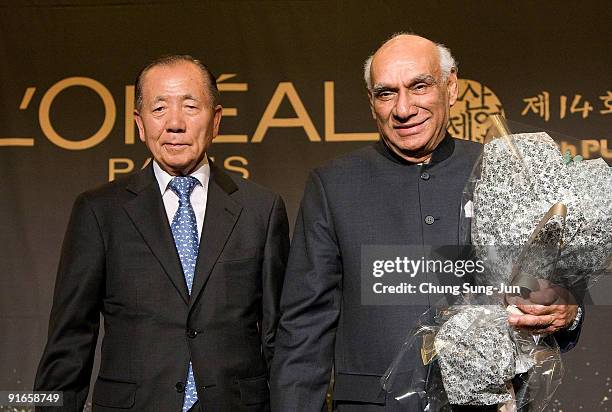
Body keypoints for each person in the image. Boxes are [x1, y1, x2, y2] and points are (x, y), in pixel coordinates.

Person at [270, 34, 581, 412]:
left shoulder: (505, 172)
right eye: (386, 93)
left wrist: (566, 310)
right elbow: (304, 329)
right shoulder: (334, 185)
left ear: (450, 88)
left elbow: (551, 287)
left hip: (490, 403)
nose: (403, 108)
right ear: (371, 103)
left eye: (419, 86)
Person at [35, 55, 289, 412]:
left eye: (190, 106)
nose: (174, 123)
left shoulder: (261, 209)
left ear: (216, 121)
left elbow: (279, 336)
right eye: (158, 109)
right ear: (139, 124)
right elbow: (70, 340)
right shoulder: (99, 211)